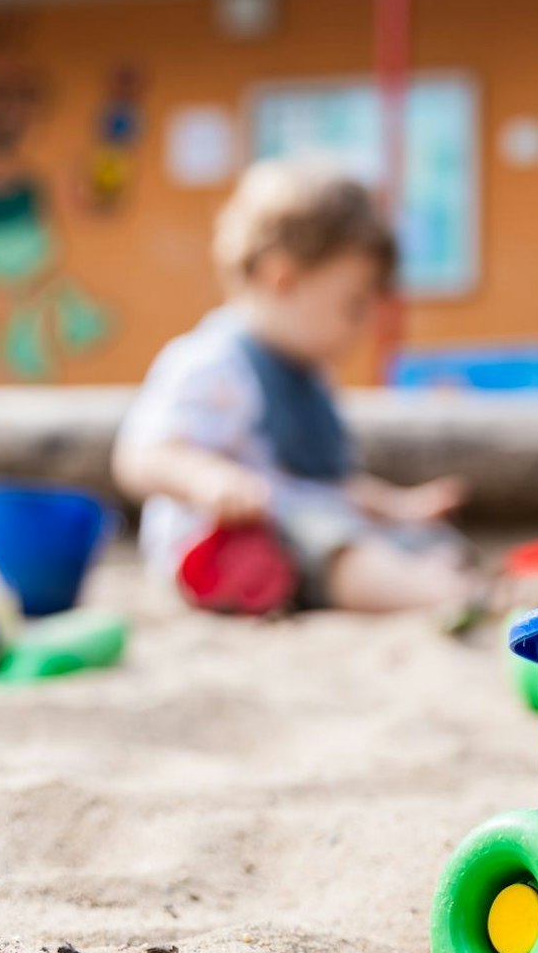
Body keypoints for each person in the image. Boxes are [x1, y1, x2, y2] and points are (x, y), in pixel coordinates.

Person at [114, 160, 475, 613]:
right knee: (334, 544)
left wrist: (397, 507)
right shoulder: (214, 362)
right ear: (282, 278)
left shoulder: (310, 375)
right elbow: (140, 455)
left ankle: (433, 577)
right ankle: (437, 594)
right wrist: (207, 479)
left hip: (312, 525)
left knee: (424, 539)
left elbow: (328, 483)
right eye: (352, 306)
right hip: (226, 548)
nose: (360, 326)